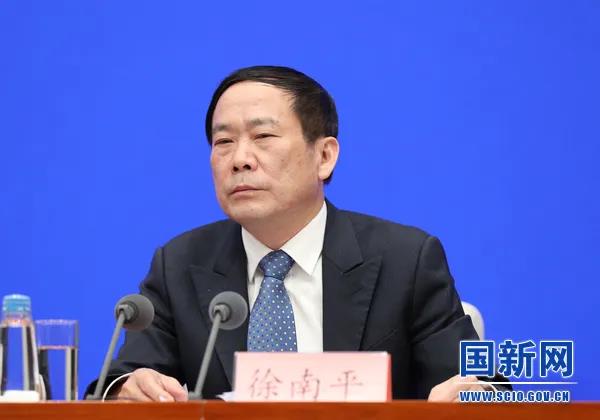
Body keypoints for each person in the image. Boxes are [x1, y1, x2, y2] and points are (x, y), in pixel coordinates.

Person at [87, 65, 497, 401]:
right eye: (223, 141)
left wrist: (474, 395)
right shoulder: (179, 264)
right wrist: (125, 390)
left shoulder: (406, 260)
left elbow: (488, 387)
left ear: (324, 156)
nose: (240, 159)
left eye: (263, 137)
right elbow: (123, 381)